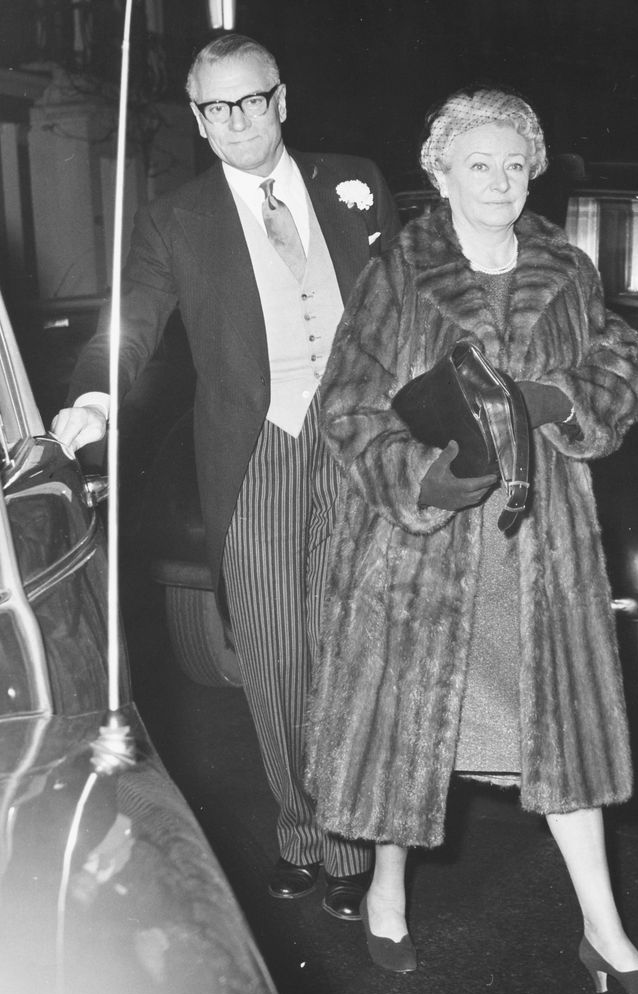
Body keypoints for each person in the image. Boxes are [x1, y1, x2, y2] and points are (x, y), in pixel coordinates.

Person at [305, 85, 638, 994]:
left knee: (566, 740)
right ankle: (388, 890)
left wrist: (561, 400)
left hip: (541, 549)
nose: (501, 180)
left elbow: (619, 365)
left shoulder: (566, 265)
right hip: (429, 555)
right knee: (412, 737)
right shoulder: (401, 268)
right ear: (439, 172)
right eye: (480, 163)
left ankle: (605, 930)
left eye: (515, 164)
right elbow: (346, 403)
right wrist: (419, 481)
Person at [50, 32, 400, 922]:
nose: (239, 119)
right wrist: (95, 397)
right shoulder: (178, 218)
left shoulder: (354, 180)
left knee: (353, 652)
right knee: (277, 655)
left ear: (281, 101)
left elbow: (413, 304)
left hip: (363, 446)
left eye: (254, 100)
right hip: (258, 453)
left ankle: (356, 844)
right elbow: (129, 323)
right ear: (200, 123)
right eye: (218, 107)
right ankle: (304, 833)